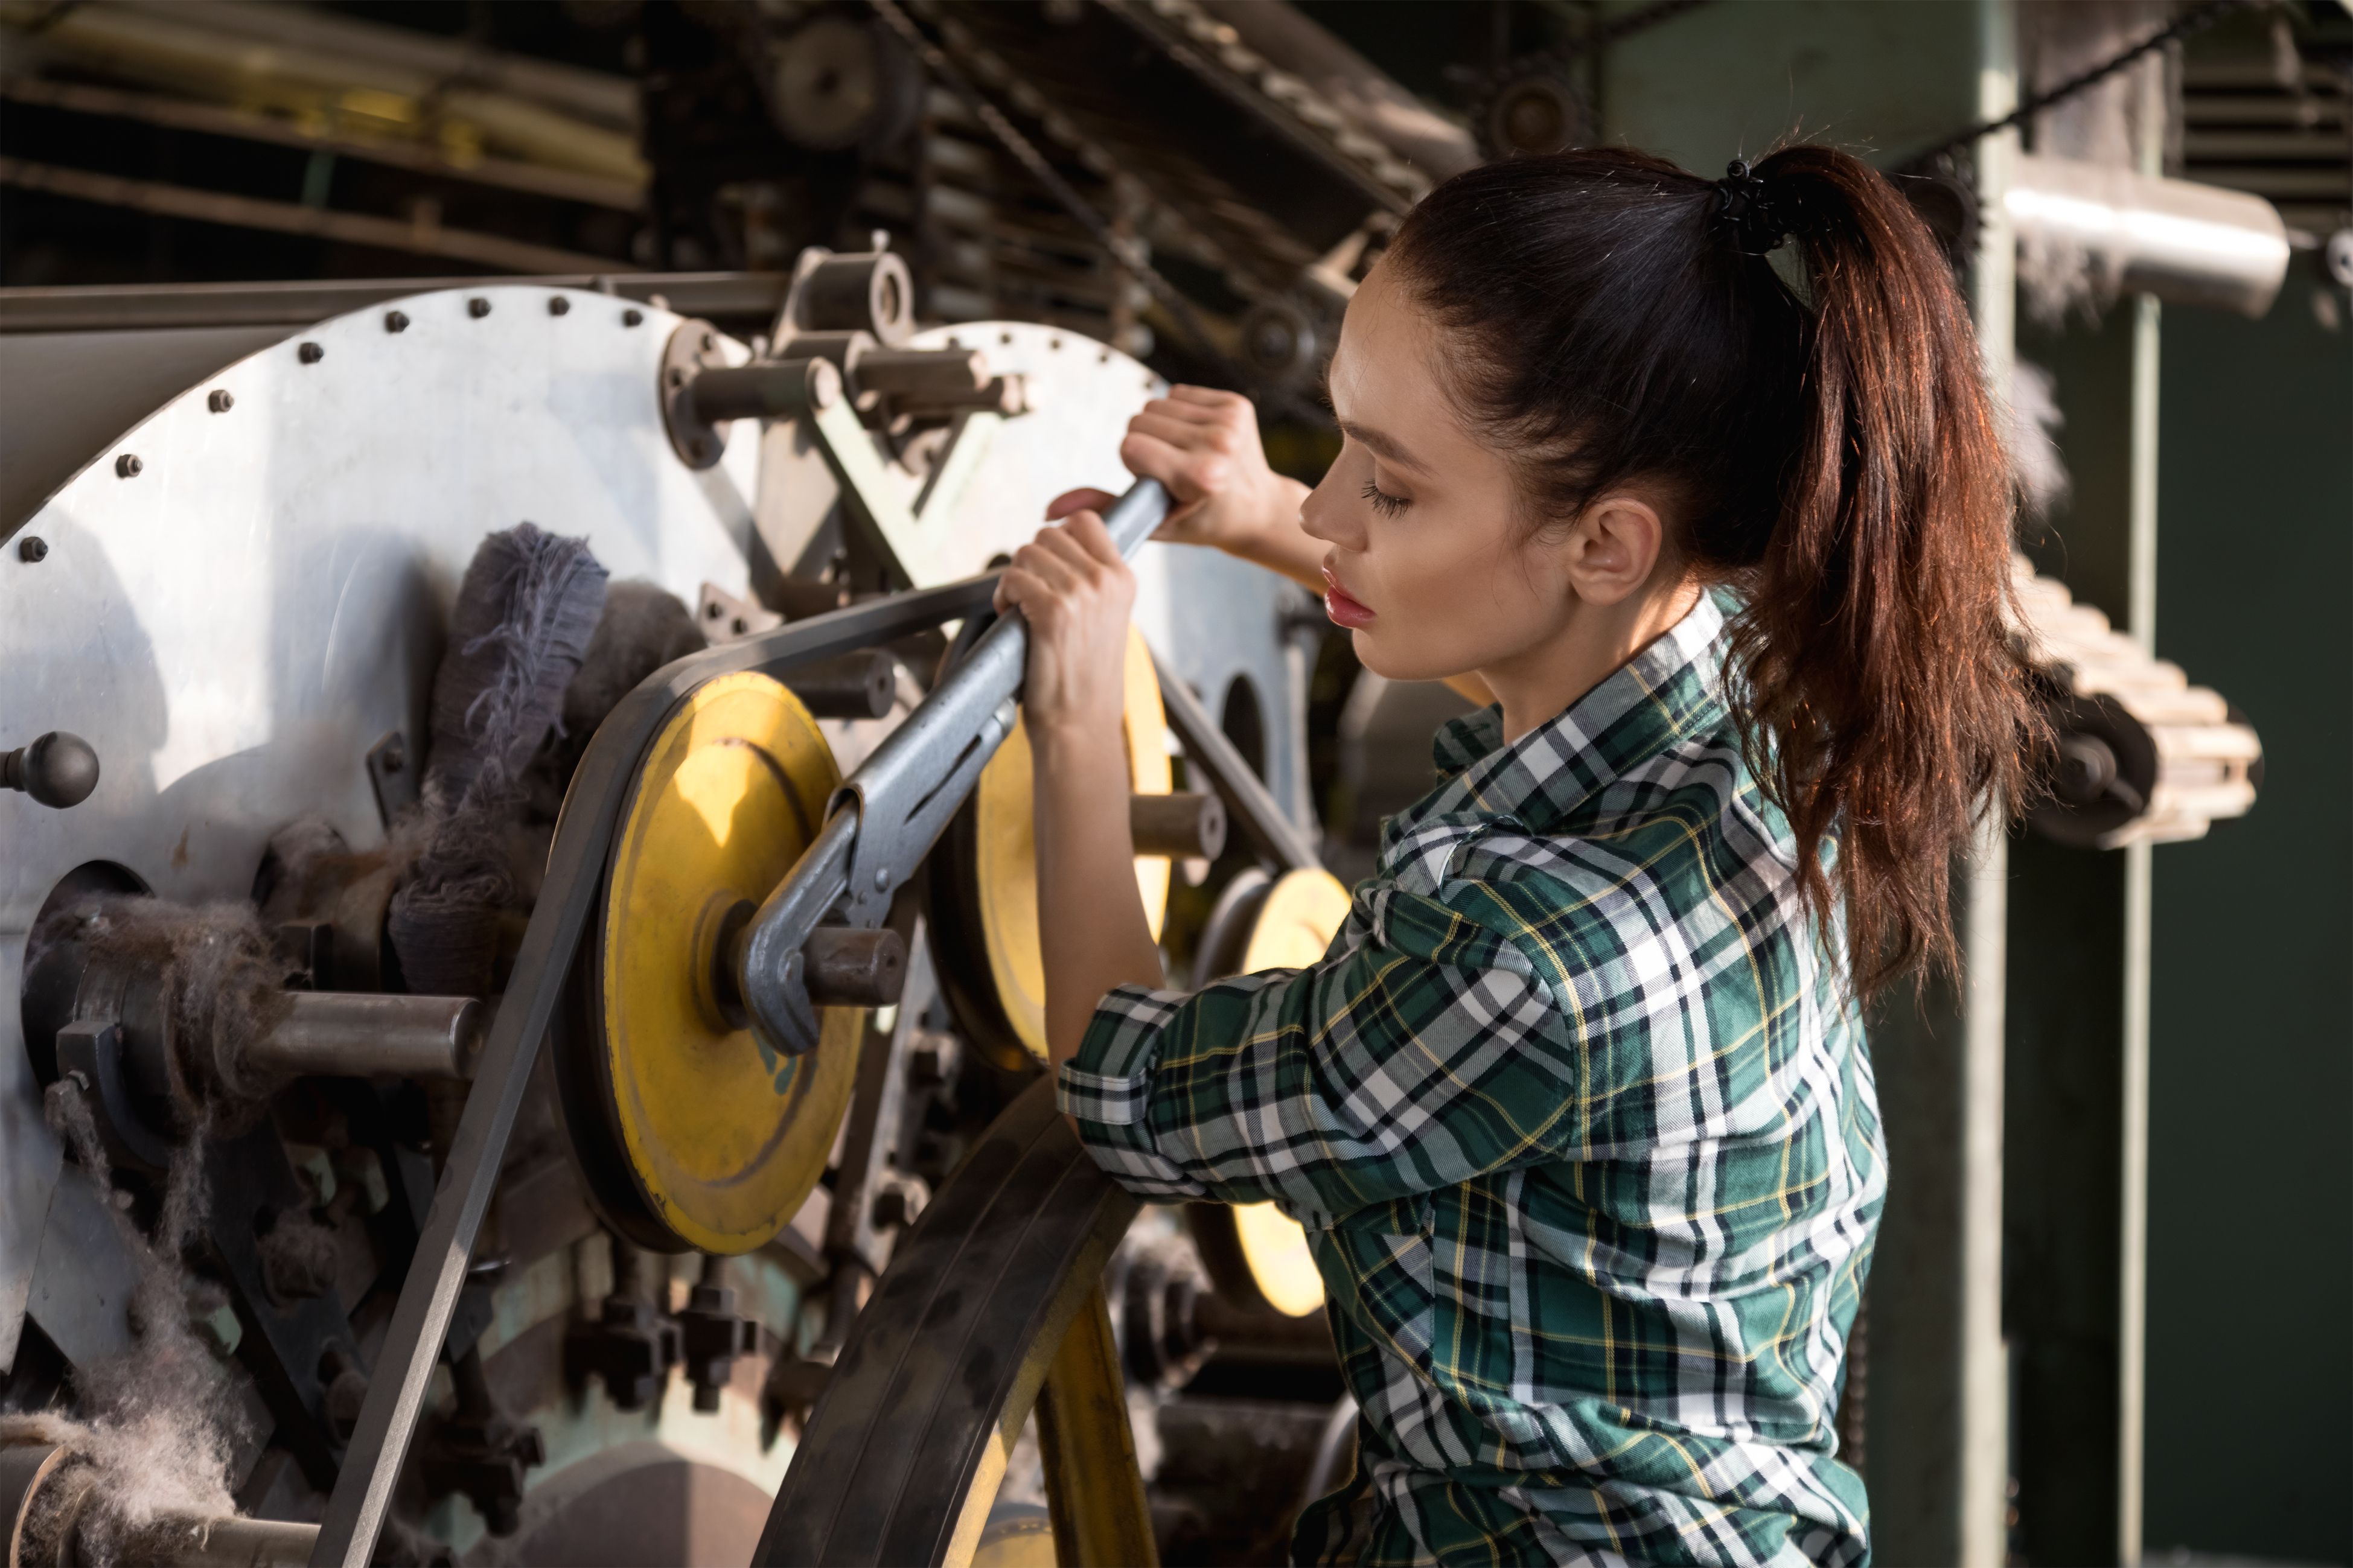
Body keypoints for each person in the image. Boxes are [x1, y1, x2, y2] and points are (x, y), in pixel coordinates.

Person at [992, 145, 2042, 1567]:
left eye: (1393, 491)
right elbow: (1524, 633)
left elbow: (1115, 1085)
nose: (1325, 510)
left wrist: (1072, 716)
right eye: (1341, 445)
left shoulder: (1529, 960)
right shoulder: (1734, 685)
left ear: (1606, 540)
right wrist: (1249, 516)